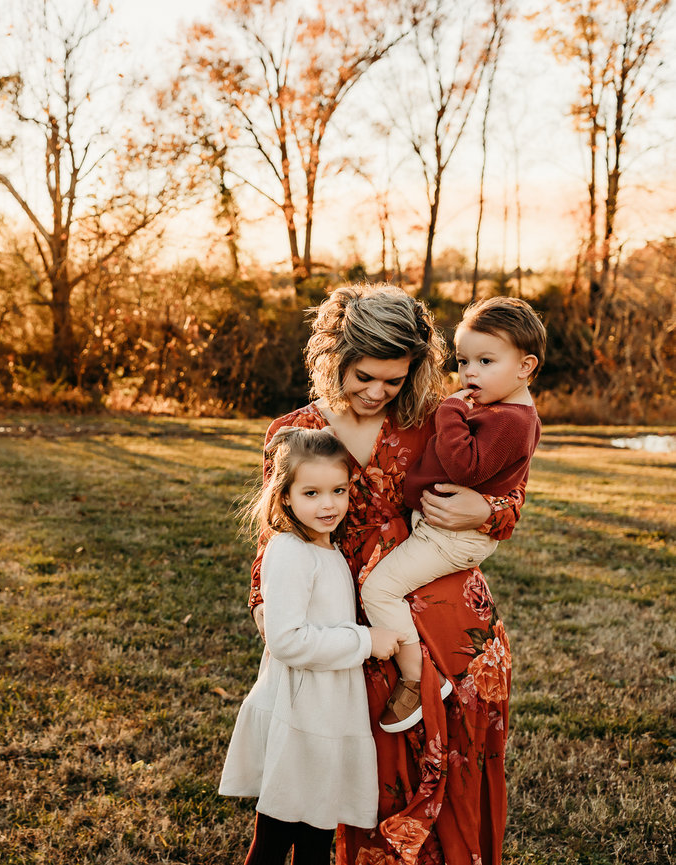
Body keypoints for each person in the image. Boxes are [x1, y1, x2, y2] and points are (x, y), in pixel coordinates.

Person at [249, 284, 524, 865]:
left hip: (453, 627)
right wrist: (267, 610)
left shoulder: (436, 421)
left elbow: (509, 485)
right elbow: (274, 536)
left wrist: (491, 511)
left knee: (457, 770)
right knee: (363, 775)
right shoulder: (293, 433)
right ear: (332, 359)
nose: (377, 393)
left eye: (393, 380)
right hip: (354, 627)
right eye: (363, 376)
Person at [220, 426, 405, 865]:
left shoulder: (327, 547)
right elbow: (287, 641)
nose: (328, 504)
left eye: (338, 490)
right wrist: (366, 640)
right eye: (312, 493)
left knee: (317, 840)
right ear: (284, 496)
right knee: (274, 839)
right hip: (302, 715)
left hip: (328, 712)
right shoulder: (289, 551)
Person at [363, 296, 545, 733]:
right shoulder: (498, 411)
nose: (469, 374)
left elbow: (467, 467)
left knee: (379, 590)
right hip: (442, 532)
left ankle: (417, 679)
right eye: (464, 361)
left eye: (485, 360)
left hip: (450, 536)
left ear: (525, 366)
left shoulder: (512, 420)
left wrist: (451, 411)